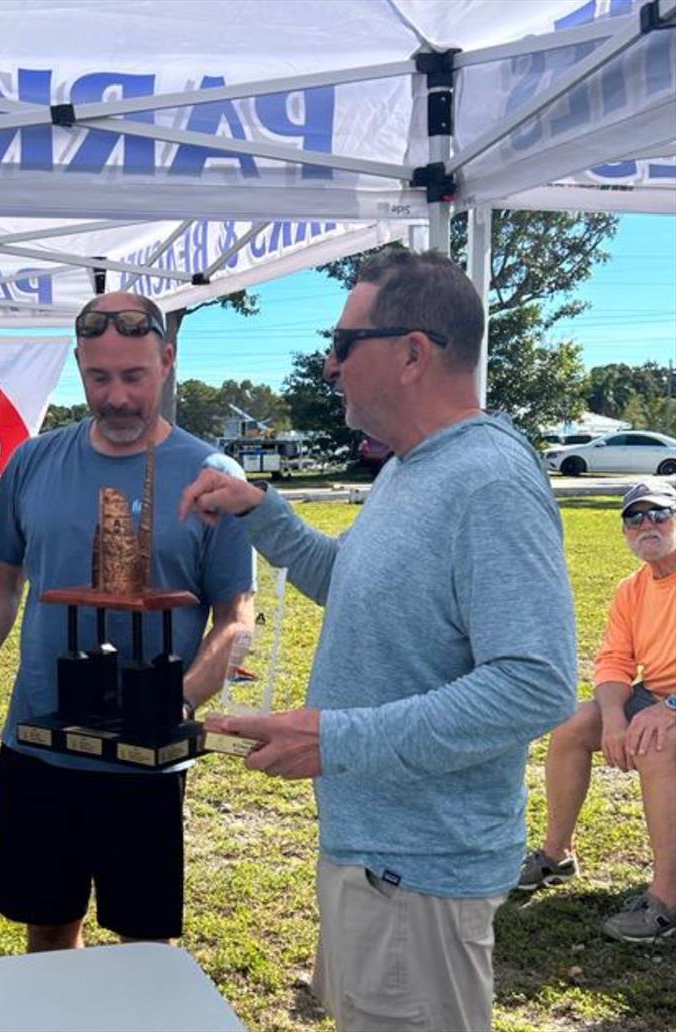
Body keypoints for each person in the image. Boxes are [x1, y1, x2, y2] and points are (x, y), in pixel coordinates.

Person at [179, 249, 577, 1032]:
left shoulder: (488, 480)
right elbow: (358, 584)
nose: (329, 366)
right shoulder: (412, 468)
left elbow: (536, 683)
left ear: (411, 353)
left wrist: (335, 738)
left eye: (341, 343)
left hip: (419, 870)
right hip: (379, 854)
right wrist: (262, 511)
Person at [0, 291, 255, 951]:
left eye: (134, 376)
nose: (116, 397)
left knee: (144, 944)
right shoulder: (33, 461)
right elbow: (0, 584)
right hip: (39, 745)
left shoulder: (211, 474)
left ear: (166, 360)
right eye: (98, 377)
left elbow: (236, 616)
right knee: (48, 926)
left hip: (146, 763)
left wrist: (177, 698)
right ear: (79, 365)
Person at [518, 479, 676, 942]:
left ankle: (666, 898)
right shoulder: (631, 589)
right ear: (625, 533)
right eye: (635, 517)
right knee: (570, 727)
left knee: (655, 743)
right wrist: (613, 719)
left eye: (660, 514)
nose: (648, 524)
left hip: (669, 705)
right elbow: (614, 662)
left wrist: (668, 707)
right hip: (655, 696)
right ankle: (556, 855)